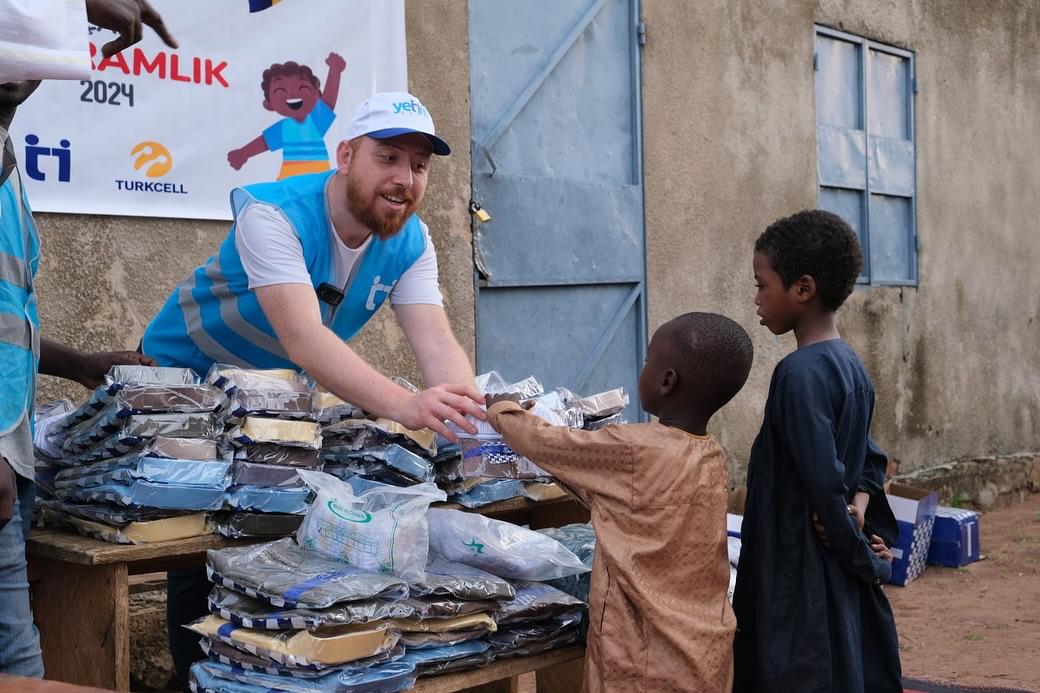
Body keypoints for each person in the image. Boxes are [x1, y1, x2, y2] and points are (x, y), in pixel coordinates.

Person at [143, 90, 484, 688]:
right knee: (200, 543)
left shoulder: (411, 239)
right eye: (389, 157)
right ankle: (198, 680)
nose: (404, 178)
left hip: (269, 402)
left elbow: (435, 340)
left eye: (420, 166)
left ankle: (255, 675)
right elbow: (304, 340)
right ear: (347, 154)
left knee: (266, 536)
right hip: (184, 386)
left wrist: (473, 415)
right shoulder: (271, 213)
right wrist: (408, 406)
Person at [0, 0, 177, 675]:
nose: (18, 70)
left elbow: (7, 324)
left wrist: (80, 364)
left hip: (12, 466)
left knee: (20, 663)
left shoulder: (9, 168)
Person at [485, 312, 755, 692]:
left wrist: (503, 410)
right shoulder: (711, 456)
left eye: (648, 361)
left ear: (667, 381)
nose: (643, 368)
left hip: (641, 655)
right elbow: (610, 491)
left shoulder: (634, 448)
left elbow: (552, 446)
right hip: (701, 653)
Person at [732, 209, 902, 692]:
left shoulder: (798, 374)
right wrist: (861, 511)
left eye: (762, 285)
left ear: (802, 289)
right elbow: (870, 460)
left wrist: (870, 562)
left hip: (796, 572)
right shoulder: (851, 365)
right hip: (832, 563)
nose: (756, 299)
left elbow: (824, 488)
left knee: (798, 670)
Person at [227, 53, 347, 180]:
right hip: (289, 182)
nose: (291, 94)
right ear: (269, 104)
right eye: (281, 91)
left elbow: (328, 102)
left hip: (318, 182)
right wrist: (243, 153)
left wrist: (335, 71)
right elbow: (265, 142)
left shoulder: (315, 122)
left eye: (302, 87)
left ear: (316, 94)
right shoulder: (285, 127)